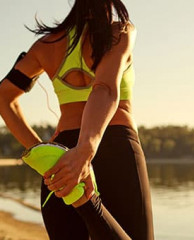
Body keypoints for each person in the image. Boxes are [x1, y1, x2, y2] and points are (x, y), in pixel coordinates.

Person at [0, 0, 154, 239]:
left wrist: (41, 151)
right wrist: (85, 151)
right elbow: (103, 88)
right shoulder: (120, 33)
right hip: (114, 148)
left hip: (61, 158)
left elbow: (4, 97)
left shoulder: (46, 45)